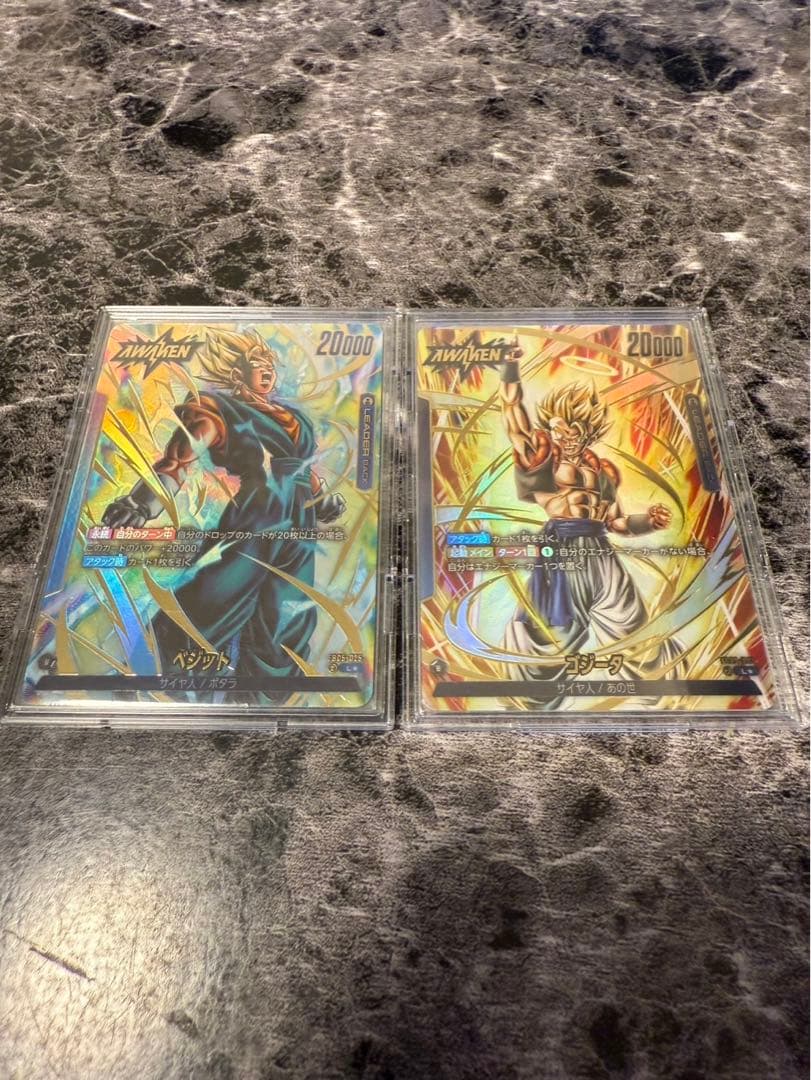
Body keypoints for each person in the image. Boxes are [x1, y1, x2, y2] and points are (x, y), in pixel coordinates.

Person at [103, 328, 345, 693]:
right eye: (258, 365)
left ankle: (265, 700)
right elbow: (178, 460)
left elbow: (300, 468)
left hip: (299, 528)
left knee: (288, 613)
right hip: (256, 518)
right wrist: (141, 502)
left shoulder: (293, 418)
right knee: (213, 598)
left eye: (270, 365)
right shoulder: (219, 411)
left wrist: (322, 500)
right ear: (237, 374)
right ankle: (151, 677)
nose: (268, 370)